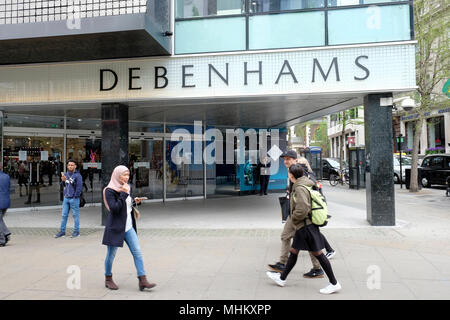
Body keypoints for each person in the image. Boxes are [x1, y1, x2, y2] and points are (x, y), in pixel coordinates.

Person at [267, 163, 342, 294]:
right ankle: (282, 278)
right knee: (294, 252)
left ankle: (334, 283)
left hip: (305, 227)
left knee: (318, 254)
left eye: (288, 173)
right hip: (304, 226)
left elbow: (303, 208)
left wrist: (294, 219)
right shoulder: (303, 184)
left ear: (291, 175)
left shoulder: (300, 188)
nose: (288, 175)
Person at [102, 165, 156, 291]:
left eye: (128, 175)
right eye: (124, 175)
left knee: (137, 252)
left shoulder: (127, 187)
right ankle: (108, 278)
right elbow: (114, 208)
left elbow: (126, 205)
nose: (126, 177)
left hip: (128, 226)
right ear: (117, 175)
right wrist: (124, 194)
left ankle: (142, 280)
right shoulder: (109, 190)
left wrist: (134, 200)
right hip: (115, 227)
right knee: (111, 254)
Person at [54, 159, 83, 238]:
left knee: (75, 215)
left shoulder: (78, 175)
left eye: (72, 165)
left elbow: (79, 187)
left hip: (74, 198)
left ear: (75, 166)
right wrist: (63, 181)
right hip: (66, 198)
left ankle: (76, 232)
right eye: (69, 165)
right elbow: (64, 185)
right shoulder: (66, 174)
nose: (70, 166)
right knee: (64, 215)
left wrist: (75, 196)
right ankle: (62, 231)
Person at [0, 164, 11, 247]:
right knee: (0, 220)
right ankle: (5, 235)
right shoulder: (6, 176)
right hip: (6, 201)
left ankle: (2, 239)